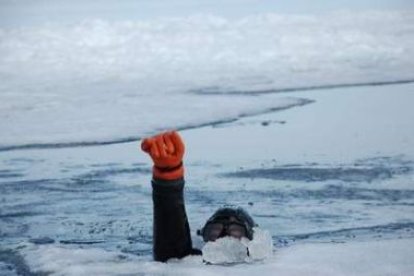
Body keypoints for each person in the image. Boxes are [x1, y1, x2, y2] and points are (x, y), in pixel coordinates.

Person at [141, 131, 257, 262]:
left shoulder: (272, 267)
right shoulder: (197, 265)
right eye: (214, 232)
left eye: (236, 232)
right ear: (203, 237)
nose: (224, 238)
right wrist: (168, 179)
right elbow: (173, 257)